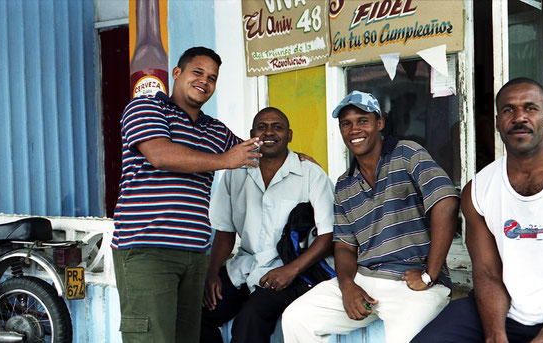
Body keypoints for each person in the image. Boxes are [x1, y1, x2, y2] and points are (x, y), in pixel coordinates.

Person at [412, 77, 543, 343]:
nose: (519, 117)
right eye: (508, 110)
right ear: (497, 121)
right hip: (503, 310)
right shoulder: (478, 190)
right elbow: (486, 271)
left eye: (530, 108)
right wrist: (495, 334)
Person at [281, 91, 460, 343]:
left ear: (379, 123)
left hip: (413, 282)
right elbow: (344, 246)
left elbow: (446, 201)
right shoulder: (344, 184)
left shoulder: (407, 154)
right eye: (346, 123)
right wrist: (347, 286)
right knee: (296, 318)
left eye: (362, 120)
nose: (354, 129)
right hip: (365, 281)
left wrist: (430, 274)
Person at [111, 47, 264, 343]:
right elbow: (160, 154)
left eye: (212, 77)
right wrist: (224, 161)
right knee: (151, 339)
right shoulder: (145, 108)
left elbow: (254, 153)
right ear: (177, 73)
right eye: (198, 72)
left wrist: (298, 158)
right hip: (147, 249)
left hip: (194, 255)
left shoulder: (215, 130)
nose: (204, 81)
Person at [199, 107, 335, 342]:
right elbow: (224, 231)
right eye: (262, 127)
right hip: (243, 267)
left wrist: (290, 270)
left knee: (250, 320)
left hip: (292, 270)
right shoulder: (236, 171)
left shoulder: (310, 173)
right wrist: (212, 273)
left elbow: (328, 235)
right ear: (253, 133)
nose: (269, 132)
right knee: (197, 314)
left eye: (277, 127)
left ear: (289, 135)